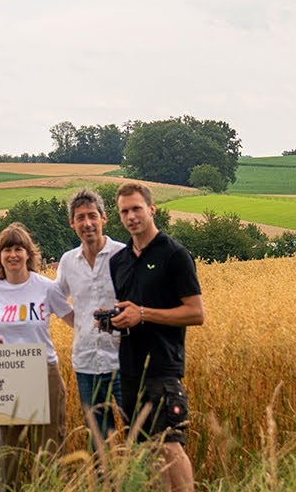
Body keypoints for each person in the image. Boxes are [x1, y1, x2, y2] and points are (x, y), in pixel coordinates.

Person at [107, 181, 204, 492]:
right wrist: (114, 320)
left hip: (163, 367)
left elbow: (195, 313)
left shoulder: (175, 254)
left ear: (152, 209)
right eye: (124, 211)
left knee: (170, 446)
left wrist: (143, 313)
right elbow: (130, 309)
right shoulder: (118, 261)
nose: (131, 216)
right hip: (129, 370)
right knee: (148, 452)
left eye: (136, 209)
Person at [0, 222, 74, 490]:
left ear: (29, 253)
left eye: (18, 249)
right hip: (4, 374)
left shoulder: (46, 287)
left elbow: (74, 320)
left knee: (48, 450)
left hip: (44, 373)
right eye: (7, 250)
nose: (13, 255)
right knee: (5, 453)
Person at [54, 188, 126, 444]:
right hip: (86, 363)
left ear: (103, 218)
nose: (87, 223)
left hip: (124, 361)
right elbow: (54, 296)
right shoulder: (68, 261)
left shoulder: (124, 255)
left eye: (92, 216)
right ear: (72, 223)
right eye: (80, 218)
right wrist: (80, 324)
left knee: (139, 434)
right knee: (100, 441)